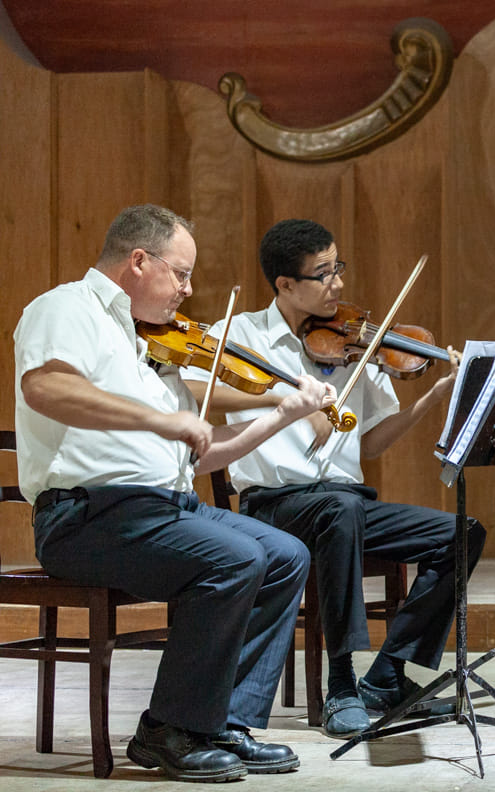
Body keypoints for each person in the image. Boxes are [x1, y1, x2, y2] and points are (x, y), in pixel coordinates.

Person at [14, 204, 337, 782]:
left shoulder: (150, 346)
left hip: (165, 508)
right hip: (86, 517)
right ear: (139, 261)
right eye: (181, 273)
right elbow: (45, 387)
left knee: (287, 555)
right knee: (235, 559)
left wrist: (283, 413)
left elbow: (201, 453)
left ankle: (220, 723)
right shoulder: (66, 307)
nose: (188, 291)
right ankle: (166, 729)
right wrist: (160, 421)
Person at [182, 218, 486, 739]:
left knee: (464, 531)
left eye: (337, 268)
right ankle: (342, 682)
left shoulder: (353, 344)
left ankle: (388, 674)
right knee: (339, 512)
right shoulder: (242, 335)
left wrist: (431, 398)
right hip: (275, 507)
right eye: (323, 274)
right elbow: (194, 391)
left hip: (344, 504)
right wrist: (286, 401)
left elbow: (368, 443)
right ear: (285, 284)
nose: (338, 284)